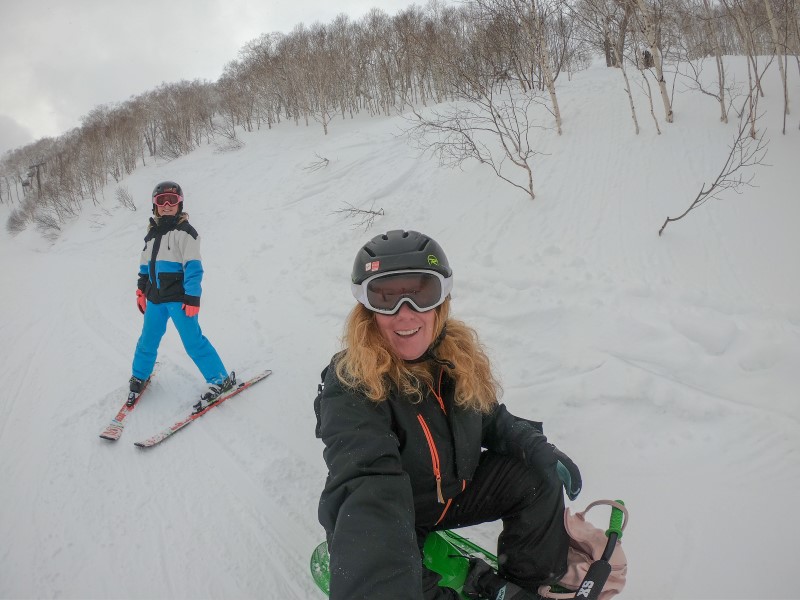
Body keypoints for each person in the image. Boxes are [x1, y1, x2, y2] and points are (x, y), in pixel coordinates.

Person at [314, 230, 583, 600]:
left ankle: (529, 582)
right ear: (368, 307)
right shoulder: (352, 383)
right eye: (386, 296)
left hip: (458, 493)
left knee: (535, 476)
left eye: (421, 293)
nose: (404, 313)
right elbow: (365, 486)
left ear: (442, 301)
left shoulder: (455, 355)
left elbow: (488, 417)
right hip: (403, 513)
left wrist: (537, 448)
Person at [128, 181, 234, 413]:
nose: (167, 205)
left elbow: (194, 268)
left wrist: (192, 297)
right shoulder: (151, 236)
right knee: (147, 339)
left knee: (192, 340)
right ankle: (139, 375)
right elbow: (145, 267)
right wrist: (140, 290)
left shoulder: (186, 233)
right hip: (155, 299)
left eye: (172, 201)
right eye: (161, 201)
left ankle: (220, 379)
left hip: (178, 299)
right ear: (155, 206)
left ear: (180, 204)